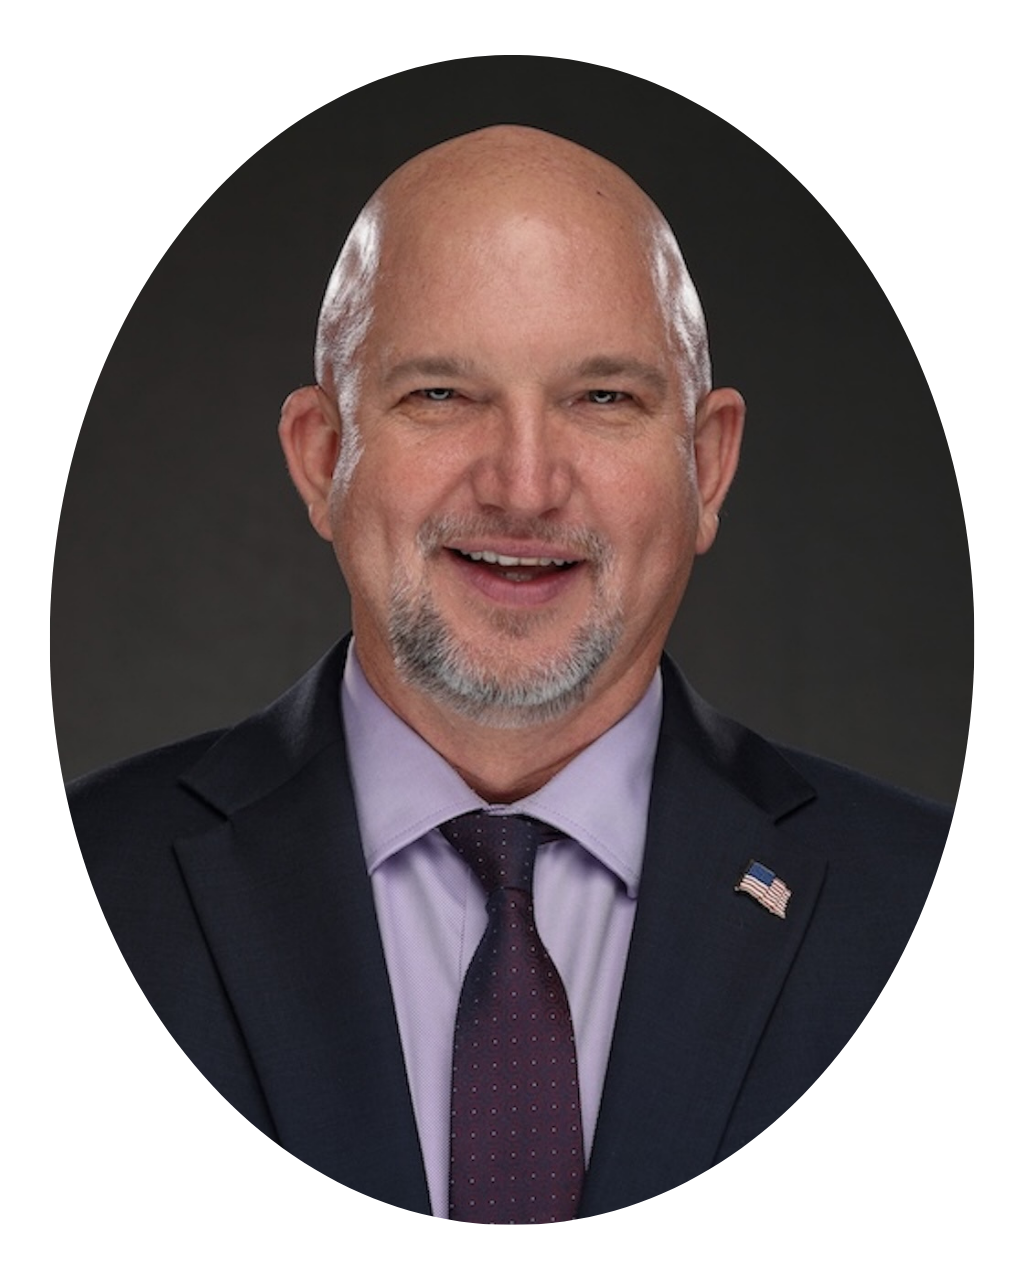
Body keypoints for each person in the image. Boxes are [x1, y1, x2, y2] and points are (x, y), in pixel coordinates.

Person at [68, 125, 950, 1221]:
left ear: (707, 465)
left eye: (604, 399)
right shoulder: (111, 881)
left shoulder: (903, 897)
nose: (524, 486)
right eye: (441, 394)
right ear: (321, 456)